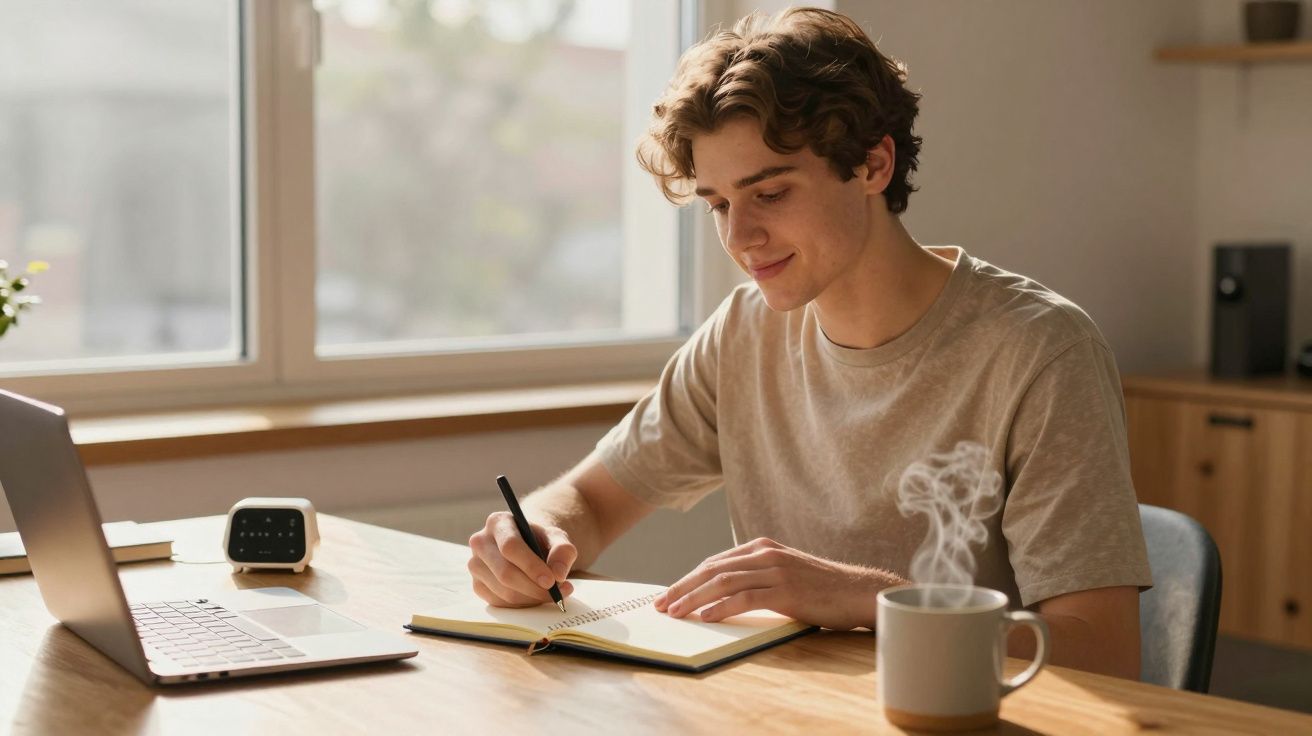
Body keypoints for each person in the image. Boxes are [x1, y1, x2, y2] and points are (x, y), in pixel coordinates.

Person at [466, 7, 1151, 679]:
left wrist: (866, 598)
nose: (738, 237)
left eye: (770, 193)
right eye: (718, 204)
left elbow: (1103, 652)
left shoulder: (1039, 351)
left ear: (873, 165)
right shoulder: (743, 333)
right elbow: (587, 503)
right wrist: (532, 542)